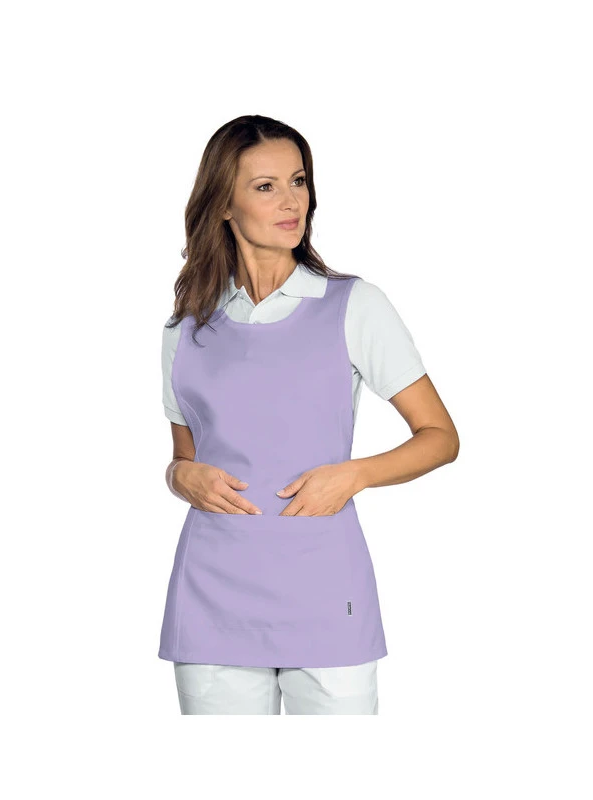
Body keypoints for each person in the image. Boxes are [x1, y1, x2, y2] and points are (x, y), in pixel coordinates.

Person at [158, 114, 460, 715]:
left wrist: (355, 475)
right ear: (224, 204)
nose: (291, 201)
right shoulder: (185, 327)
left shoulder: (353, 305)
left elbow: (440, 437)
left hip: (324, 588)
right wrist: (178, 476)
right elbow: (184, 459)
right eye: (265, 186)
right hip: (213, 594)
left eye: (298, 181)